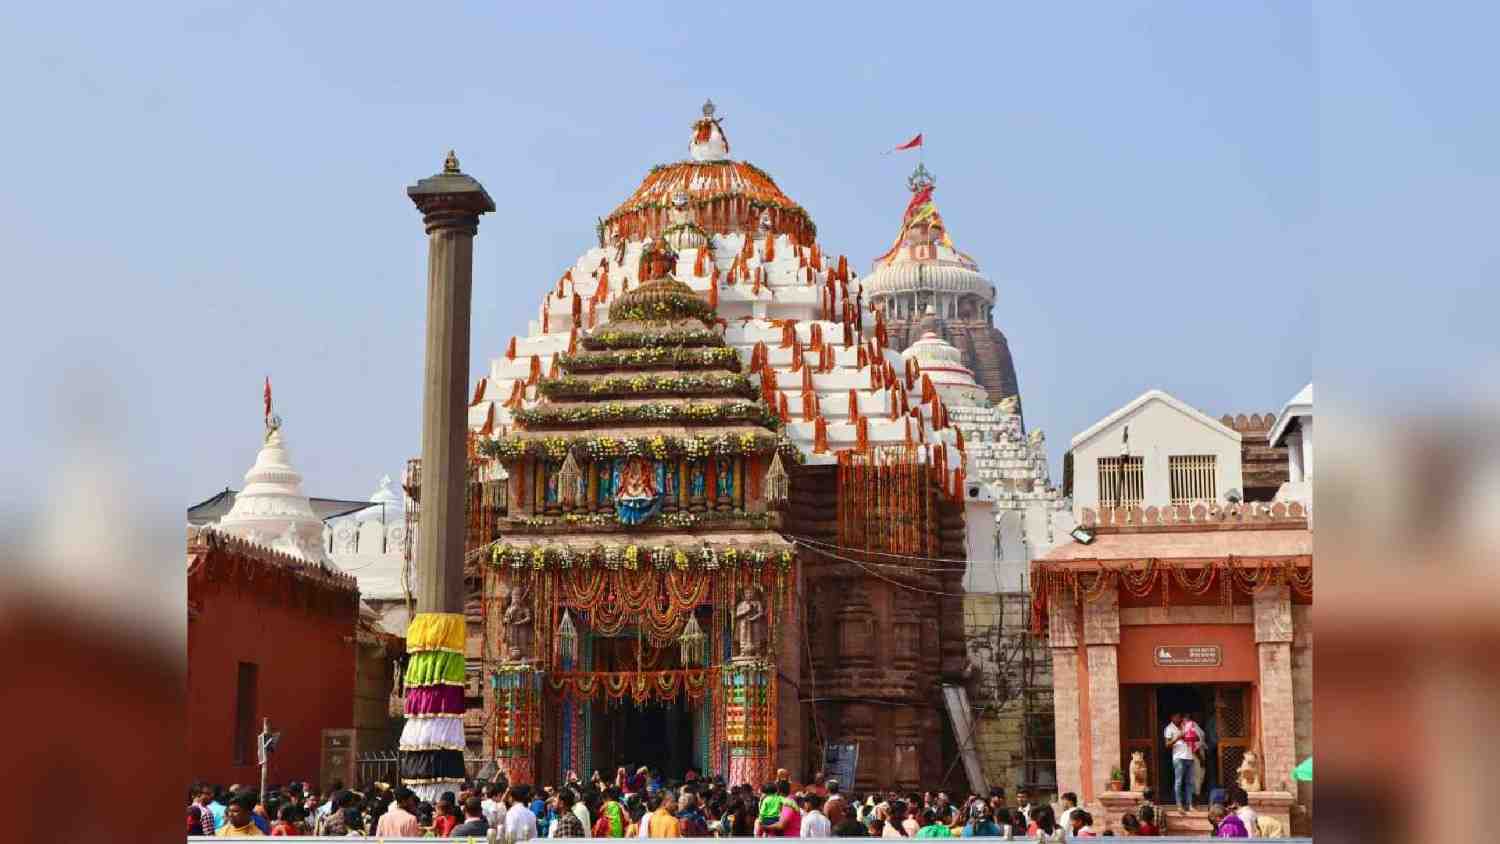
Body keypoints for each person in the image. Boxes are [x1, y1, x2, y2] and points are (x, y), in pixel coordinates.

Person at [1163, 713, 1197, 813]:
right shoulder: (1169, 728)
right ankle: (1179, 806)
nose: (1179, 719)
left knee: (1190, 783)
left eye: (1180, 717)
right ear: (1172, 717)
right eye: (1177, 717)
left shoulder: (1187, 725)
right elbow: (1167, 744)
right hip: (1178, 758)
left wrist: (1189, 736)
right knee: (1179, 782)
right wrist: (1178, 737)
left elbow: (1196, 739)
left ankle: (1190, 805)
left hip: (1189, 757)